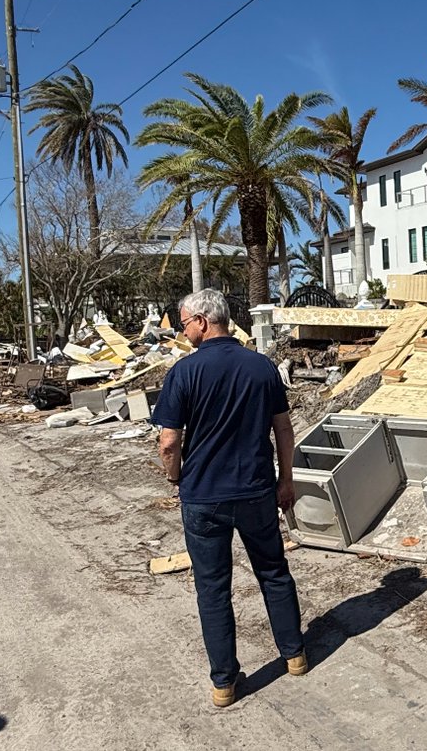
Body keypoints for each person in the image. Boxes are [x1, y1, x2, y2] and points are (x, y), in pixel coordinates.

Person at [151, 288, 306, 708]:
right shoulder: (262, 367)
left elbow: (169, 442)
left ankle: (224, 683)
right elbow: (283, 429)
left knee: (213, 589)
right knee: (273, 572)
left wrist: (176, 477)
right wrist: (286, 480)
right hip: (256, 490)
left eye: (184, 323)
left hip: (204, 497)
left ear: (203, 321)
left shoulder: (184, 372)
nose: (183, 331)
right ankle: (294, 655)